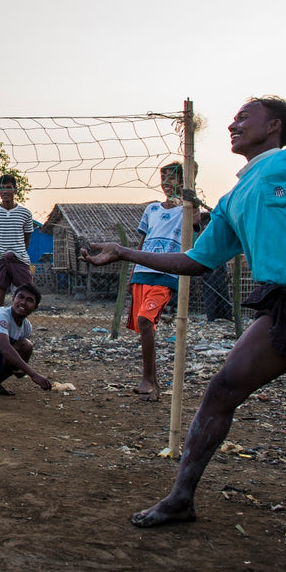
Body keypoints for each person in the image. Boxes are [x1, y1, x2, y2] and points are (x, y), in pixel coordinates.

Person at [81, 96, 286, 529]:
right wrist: (123, 252)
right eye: (233, 119)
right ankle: (180, 498)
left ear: (274, 126)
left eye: (244, 117)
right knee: (223, 389)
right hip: (284, 303)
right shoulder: (233, 200)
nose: (233, 124)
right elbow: (196, 260)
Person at [127, 162, 186, 401]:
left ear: (182, 181)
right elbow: (142, 243)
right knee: (145, 327)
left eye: (172, 178)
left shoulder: (187, 210)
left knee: (144, 319)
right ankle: (155, 387)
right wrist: (133, 275)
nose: (167, 183)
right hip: (143, 272)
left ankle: (147, 378)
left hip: (166, 273)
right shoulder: (151, 209)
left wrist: (186, 199)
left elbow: (200, 223)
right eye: (164, 179)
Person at [0, 174, 36, 308]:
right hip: (0, 258)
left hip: (20, 259)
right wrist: (2, 251)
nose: (5, 191)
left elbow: (27, 238)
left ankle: (20, 327)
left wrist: (17, 251)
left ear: (15, 190)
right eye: (2, 188)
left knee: (25, 300)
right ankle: (0, 327)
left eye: (9, 187)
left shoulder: (25, 213)